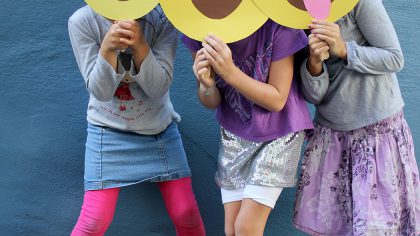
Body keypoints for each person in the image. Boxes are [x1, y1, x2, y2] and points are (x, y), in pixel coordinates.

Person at [68, 5, 205, 236]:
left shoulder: (162, 18)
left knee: (186, 213)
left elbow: (158, 87)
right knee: (94, 220)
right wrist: (108, 49)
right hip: (106, 132)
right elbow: (100, 92)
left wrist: (140, 46)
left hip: (159, 131)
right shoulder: (82, 21)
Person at [293, 0, 420, 235]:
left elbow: (394, 58)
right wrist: (314, 62)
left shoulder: (357, 2)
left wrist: (344, 49)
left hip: (378, 137)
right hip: (333, 142)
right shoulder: (291, 15)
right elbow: (314, 96)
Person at [182, 19, 313, 236]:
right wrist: (207, 84)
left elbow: (277, 100)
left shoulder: (277, 28)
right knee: (232, 229)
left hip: (279, 133)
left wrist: (229, 72)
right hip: (235, 135)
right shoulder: (199, 30)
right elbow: (211, 101)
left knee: (246, 228)